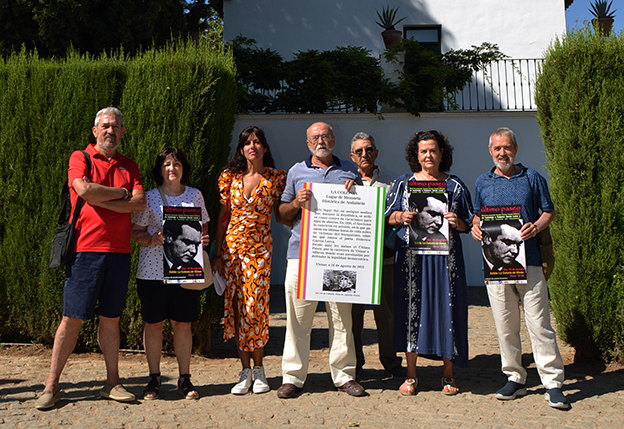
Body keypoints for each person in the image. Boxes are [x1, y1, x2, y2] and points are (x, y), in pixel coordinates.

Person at [36, 107, 146, 410]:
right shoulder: (79, 158)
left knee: (111, 319)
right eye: (105, 126)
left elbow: (139, 203)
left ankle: (112, 382)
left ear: (123, 132)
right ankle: (51, 386)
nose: (111, 130)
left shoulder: (130, 165)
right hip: (85, 250)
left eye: (116, 126)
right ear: (95, 130)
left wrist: (104, 197)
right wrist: (120, 194)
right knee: (71, 319)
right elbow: (83, 190)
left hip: (120, 253)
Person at [471, 127, 568, 409]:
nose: (503, 153)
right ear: (490, 151)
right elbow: (478, 215)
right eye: (497, 148)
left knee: (540, 325)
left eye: (507, 147)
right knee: (505, 325)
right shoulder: (482, 182)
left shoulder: (532, 177)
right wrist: (477, 227)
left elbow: (548, 210)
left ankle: (553, 383)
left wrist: (536, 227)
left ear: (515, 148)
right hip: (496, 269)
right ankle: (515, 377)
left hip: (531, 262)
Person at [276, 122, 366, 399]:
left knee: (341, 318)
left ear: (334, 139)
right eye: (315, 137)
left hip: (339, 257)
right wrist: (295, 204)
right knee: (298, 320)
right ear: (308, 143)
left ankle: (344, 375)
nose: (321, 140)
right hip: (302, 257)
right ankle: (293, 377)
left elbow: (364, 212)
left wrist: (358, 192)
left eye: (325, 135)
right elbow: (281, 214)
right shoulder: (295, 171)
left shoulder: (350, 171)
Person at [386, 130, 472, 396]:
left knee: (447, 310)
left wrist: (458, 223)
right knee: (412, 310)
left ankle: (448, 373)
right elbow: (386, 216)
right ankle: (411, 376)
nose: (428, 156)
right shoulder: (404, 184)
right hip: (412, 261)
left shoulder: (455, 186)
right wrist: (401, 216)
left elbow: (469, 222)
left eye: (433, 150)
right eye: (423, 151)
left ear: (442, 153)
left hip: (447, 261)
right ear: (416, 154)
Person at [131, 147, 210, 401]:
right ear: (160, 169)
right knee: (153, 325)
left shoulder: (195, 195)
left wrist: (203, 239)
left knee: (182, 324)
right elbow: (136, 233)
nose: (172, 168)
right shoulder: (150, 197)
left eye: (176, 163)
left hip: (185, 272)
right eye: (166, 164)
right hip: (153, 272)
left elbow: (203, 227)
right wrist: (151, 239)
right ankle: (154, 378)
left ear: (183, 168)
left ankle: (184, 378)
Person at [212, 126, 286, 395]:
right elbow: (223, 218)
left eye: (257, 142)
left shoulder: (277, 178)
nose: (252, 146)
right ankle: (244, 371)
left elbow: (282, 212)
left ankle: (260, 370)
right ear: (241, 149)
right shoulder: (229, 178)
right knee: (237, 310)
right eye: (247, 142)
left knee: (255, 308)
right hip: (232, 252)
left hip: (259, 252)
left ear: (265, 148)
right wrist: (218, 254)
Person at [348, 132, 405, 379]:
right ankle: (355, 363)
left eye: (369, 149)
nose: (364, 154)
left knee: (387, 314)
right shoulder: (344, 183)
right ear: (352, 156)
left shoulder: (392, 184)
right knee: (353, 316)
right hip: (353, 262)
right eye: (359, 151)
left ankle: (391, 361)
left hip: (385, 259)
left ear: (376, 152)